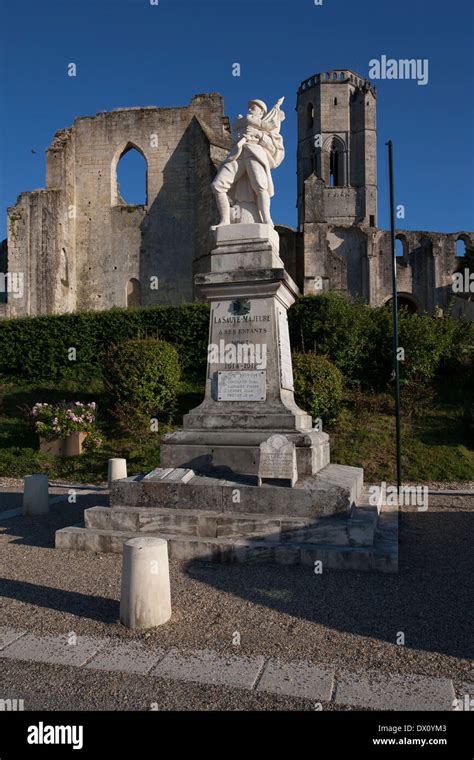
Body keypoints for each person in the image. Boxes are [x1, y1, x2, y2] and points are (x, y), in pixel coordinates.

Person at [212, 97, 286, 227]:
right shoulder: (243, 122)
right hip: (238, 154)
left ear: (261, 112)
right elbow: (235, 133)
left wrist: (259, 135)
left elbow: (274, 148)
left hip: (254, 153)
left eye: (254, 107)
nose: (250, 109)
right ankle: (224, 220)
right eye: (250, 107)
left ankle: (267, 219)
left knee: (261, 187)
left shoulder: (265, 129)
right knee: (217, 185)